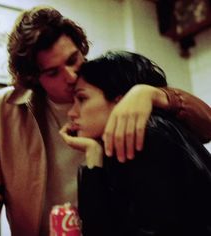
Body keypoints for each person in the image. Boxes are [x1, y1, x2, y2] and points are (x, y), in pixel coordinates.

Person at [0, 6, 210, 236]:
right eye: (53, 73)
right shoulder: (4, 110)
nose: (71, 76)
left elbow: (203, 131)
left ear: (81, 49)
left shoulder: (111, 87)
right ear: (34, 78)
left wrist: (156, 94)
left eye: (72, 59)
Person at [60, 50, 211, 236]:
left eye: (82, 99)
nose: (71, 113)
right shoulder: (130, 141)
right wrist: (93, 154)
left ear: (120, 102)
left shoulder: (148, 137)